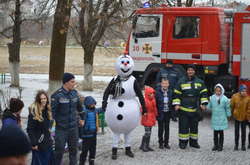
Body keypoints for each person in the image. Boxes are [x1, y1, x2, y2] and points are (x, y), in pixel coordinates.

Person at [51, 72, 85, 165]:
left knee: (74, 151)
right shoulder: (57, 96)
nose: (74, 84)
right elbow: (52, 114)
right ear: (66, 83)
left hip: (74, 129)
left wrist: (82, 119)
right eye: (72, 82)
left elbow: (80, 108)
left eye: (74, 81)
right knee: (59, 151)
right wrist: (50, 127)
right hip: (61, 130)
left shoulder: (75, 93)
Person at [173, 64, 208, 149]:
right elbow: (176, 93)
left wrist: (203, 104)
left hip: (195, 109)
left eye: (192, 70)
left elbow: (204, 93)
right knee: (183, 127)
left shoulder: (200, 82)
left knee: (194, 127)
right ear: (187, 71)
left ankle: (193, 142)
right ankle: (183, 143)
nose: (190, 71)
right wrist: (177, 104)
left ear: (194, 71)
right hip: (183, 109)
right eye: (189, 70)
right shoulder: (181, 81)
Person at [27, 90, 54, 165]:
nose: (43, 100)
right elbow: (30, 129)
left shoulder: (48, 110)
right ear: (38, 100)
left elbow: (49, 126)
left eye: (44, 98)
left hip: (48, 142)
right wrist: (34, 143)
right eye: (41, 99)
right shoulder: (34, 112)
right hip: (38, 144)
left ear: (47, 99)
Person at [79, 96, 104, 165]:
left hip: (93, 134)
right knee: (84, 150)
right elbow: (79, 120)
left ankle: (91, 160)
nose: (93, 105)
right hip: (86, 135)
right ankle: (82, 162)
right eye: (92, 104)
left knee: (93, 149)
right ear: (87, 103)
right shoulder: (83, 111)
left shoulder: (95, 110)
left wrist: (105, 105)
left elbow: (102, 109)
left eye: (94, 104)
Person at [207, 84, 231, 151]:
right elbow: (209, 106)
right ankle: (215, 145)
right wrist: (205, 106)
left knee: (221, 133)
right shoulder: (212, 98)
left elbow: (227, 108)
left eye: (219, 91)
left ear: (222, 91)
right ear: (215, 91)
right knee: (215, 134)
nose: (218, 92)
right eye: (217, 91)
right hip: (215, 118)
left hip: (222, 118)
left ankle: (220, 145)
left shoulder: (225, 99)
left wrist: (228, 114)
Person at [155, 78, 174, 149]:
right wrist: (156, 113)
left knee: (167, 128)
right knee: (160, 129)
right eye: (164, 83)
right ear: (161, 84)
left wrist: (173, 113)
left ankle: (166, 143)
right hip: (160, 113)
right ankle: (160, 143)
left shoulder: (171, 92)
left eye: (166, 83)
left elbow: (172, 103)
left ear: (168, 84)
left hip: (167, 113)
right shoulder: (157, 92)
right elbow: (155, 104)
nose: (165, 85)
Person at [231, 84, 250, 151]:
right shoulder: (235, 96)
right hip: (236, 117)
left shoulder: (248, 98)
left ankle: (243, 145)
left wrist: (248, 117)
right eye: (242, 91)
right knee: (236, 132)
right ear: (240, 91)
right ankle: (236, 145)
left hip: (244, 117)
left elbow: (248, 109)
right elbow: (232, 106)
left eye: (245, 91)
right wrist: (233, 113)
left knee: (243, 132)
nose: (244, 92)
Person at [140, 86, 157, 152]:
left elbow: (155, 108)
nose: (152, 95)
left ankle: (145, 145)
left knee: (149, 132)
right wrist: (144, 113)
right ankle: (144, 145)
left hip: (151, 117)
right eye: (150, 93)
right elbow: (142, 108)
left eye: (153, 93)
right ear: (147, 94)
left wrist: (156, 114)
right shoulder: (145, 100)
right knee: (147, 132)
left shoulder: (153, 100)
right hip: (146, 118)